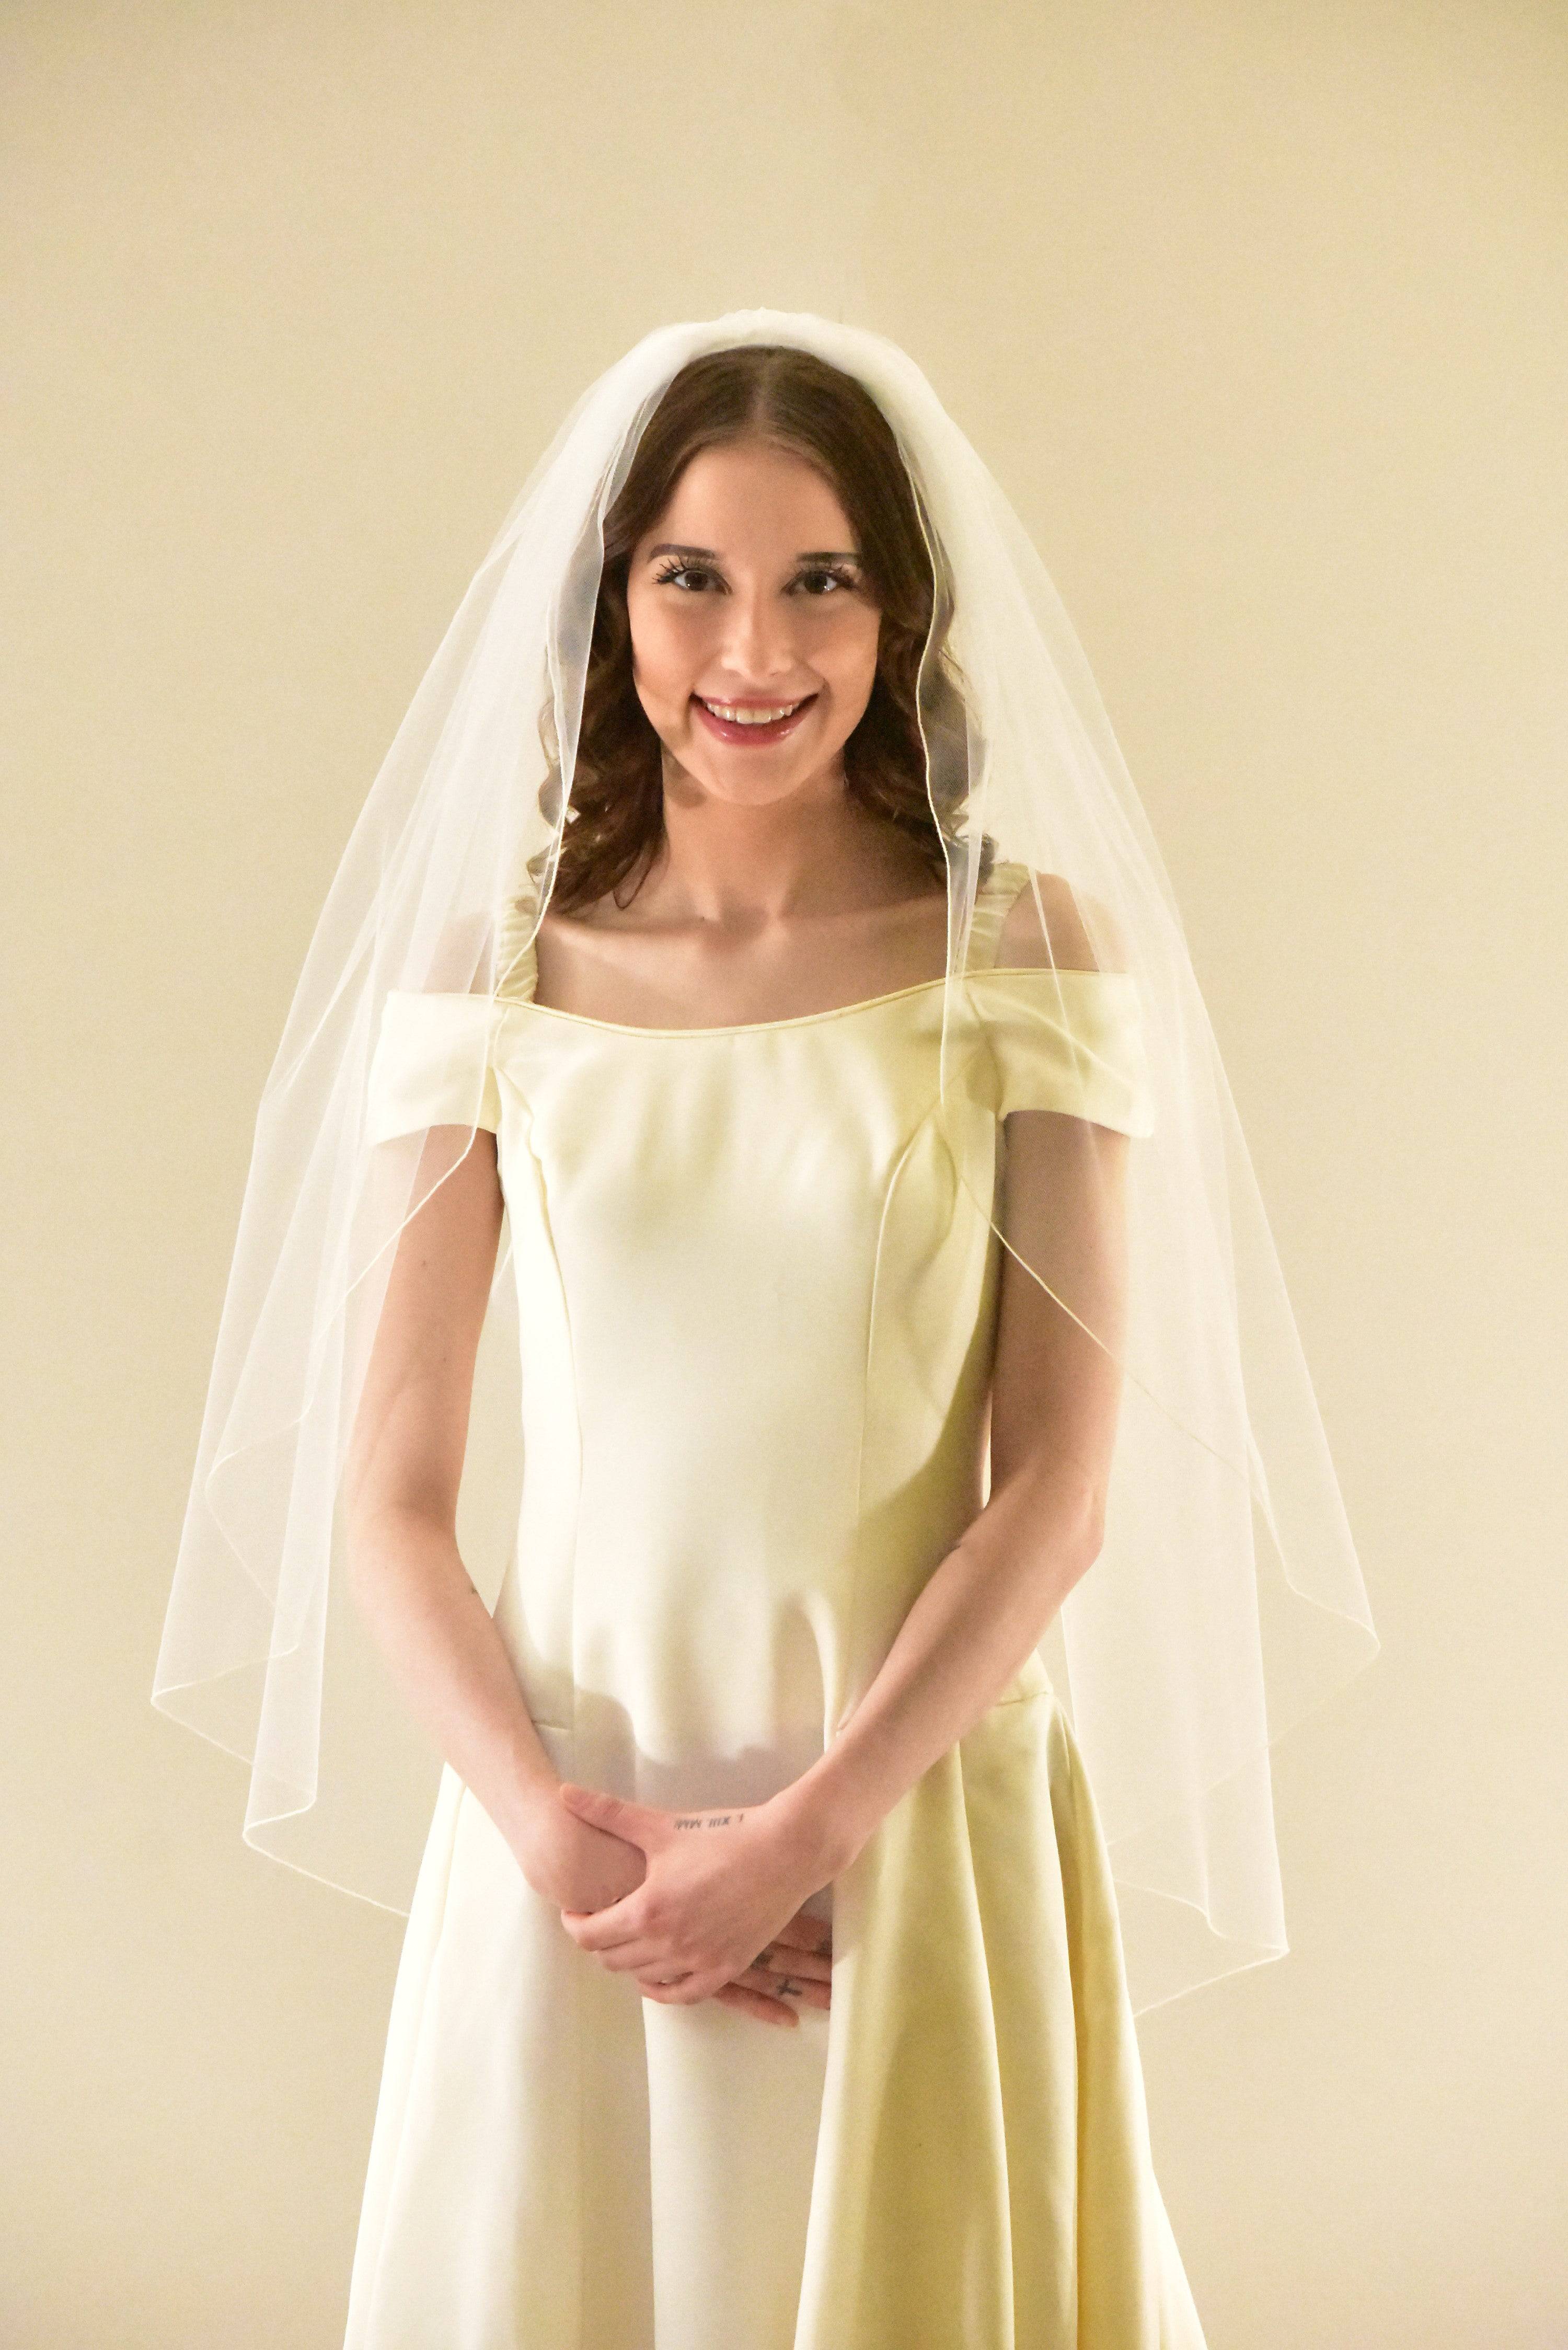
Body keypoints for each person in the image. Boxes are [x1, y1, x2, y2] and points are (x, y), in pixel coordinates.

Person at [154, 314, 1378, 2348]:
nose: (754, 648)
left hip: (911, 1821)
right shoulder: (495, 976)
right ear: (614, 603)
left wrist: (810, 1836)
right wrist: (564, 1842)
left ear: (900, 614)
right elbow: (390, 1495)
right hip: (582, 1837)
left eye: (821, 579)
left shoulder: (1020, 952)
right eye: (692, 578)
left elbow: (1056, 1485)